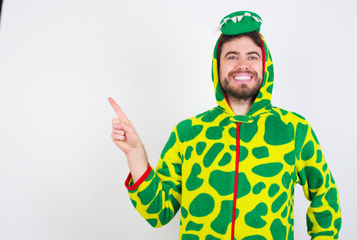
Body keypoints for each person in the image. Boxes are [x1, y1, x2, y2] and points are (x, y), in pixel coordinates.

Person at [109, 10, 342, 240]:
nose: (243, 65)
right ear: (217, 66)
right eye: (232, 56)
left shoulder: (294, 130)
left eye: (252, 56)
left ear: (265, 66)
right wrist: (136, 154)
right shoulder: (187, 133)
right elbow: (157, 212)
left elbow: (325, 194)